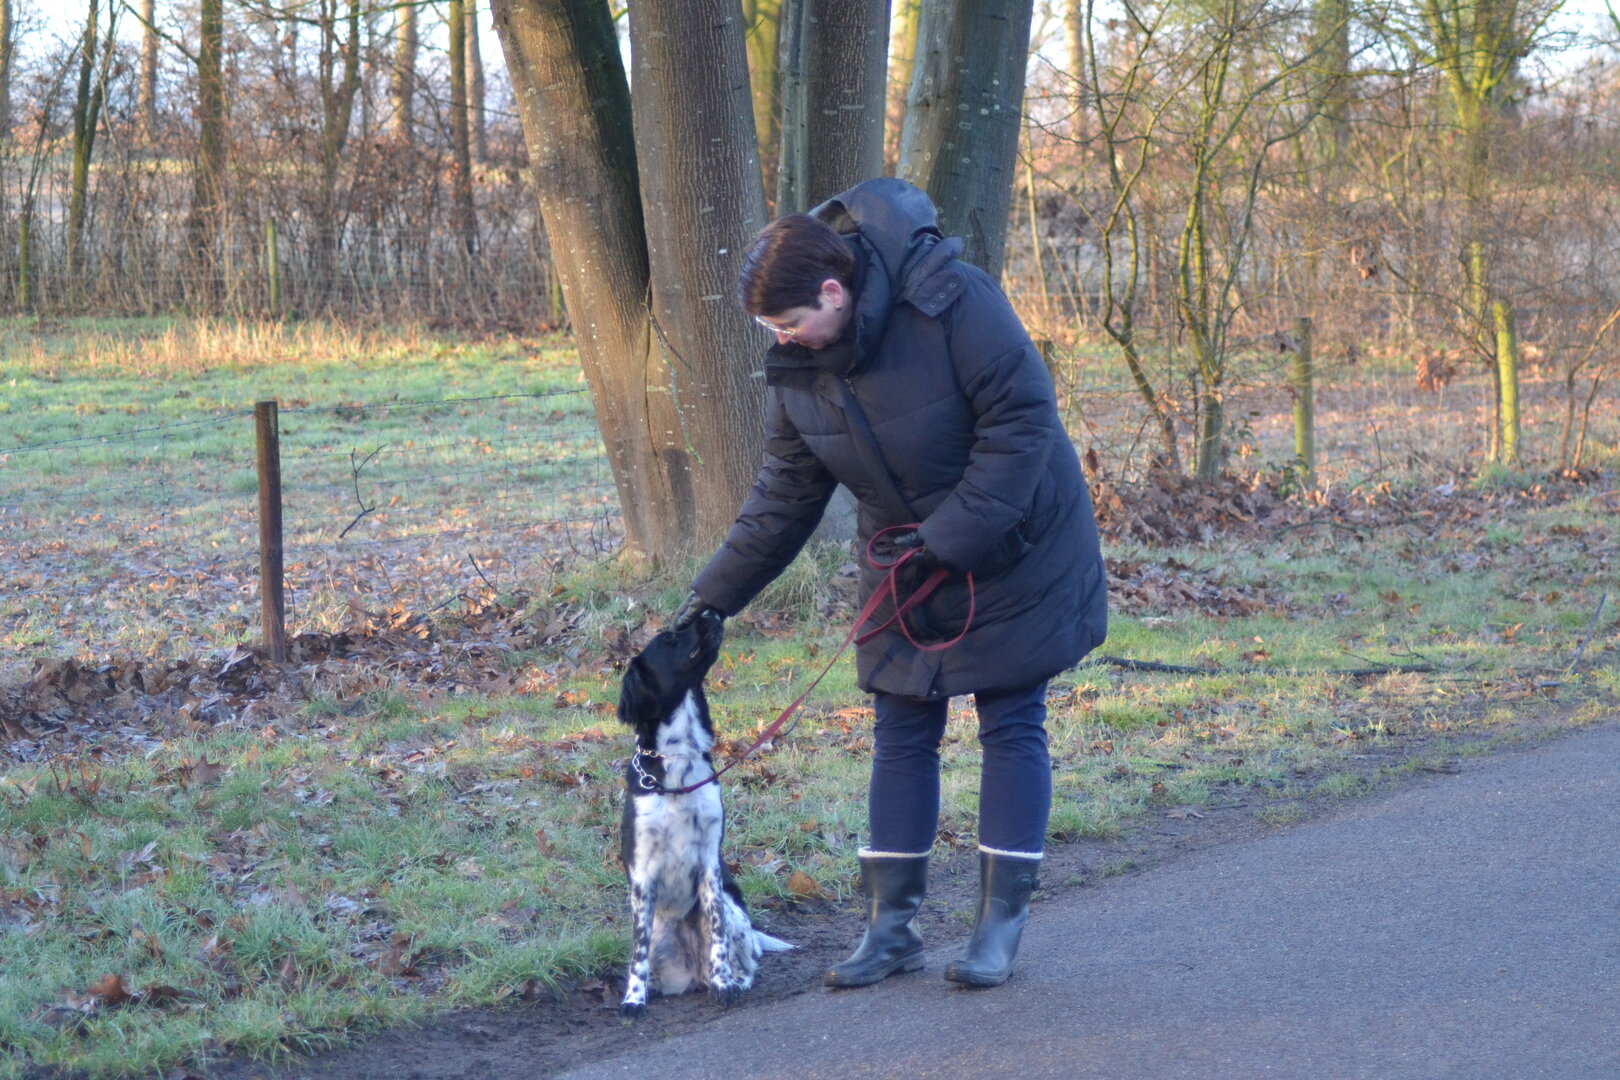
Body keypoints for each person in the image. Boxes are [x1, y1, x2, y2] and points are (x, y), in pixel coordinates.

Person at [672, 178, 1107, 989]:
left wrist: (952, 538)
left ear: (833, 292)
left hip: (1018, 540)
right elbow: (784, 494)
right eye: (772, 330)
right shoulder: (799, 368)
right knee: (901, 725)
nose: (784, 339)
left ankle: (997, 930)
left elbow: (1022, 423)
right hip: (905, 556)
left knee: (1011, 719)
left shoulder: (953, 299)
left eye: (790, 322)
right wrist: (710, 601)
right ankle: (890, 929)